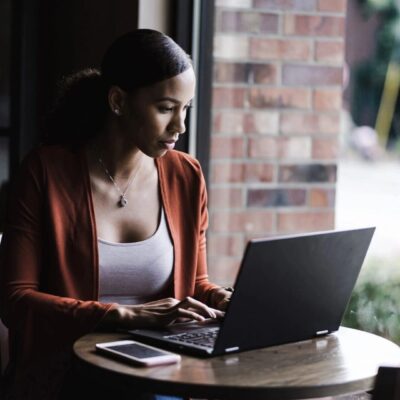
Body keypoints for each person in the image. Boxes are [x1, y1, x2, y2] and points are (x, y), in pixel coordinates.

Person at [0, 29, 232, 400]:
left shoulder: (186, 176)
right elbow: (15, 300)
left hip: (160, 369)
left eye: (185, 108)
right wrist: (126, 315)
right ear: (118, 101)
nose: (180, 127)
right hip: (67, 374)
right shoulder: (44, 172)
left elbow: (195, 283)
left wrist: (224, 299)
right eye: (166, 108)